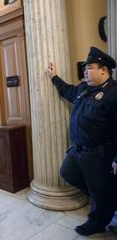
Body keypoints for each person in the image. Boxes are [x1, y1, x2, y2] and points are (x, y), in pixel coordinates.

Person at [47, 46, 117, 236]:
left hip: (99, 154)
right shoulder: (83, 88)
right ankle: (106, 199)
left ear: (103, 70)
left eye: (90, 67)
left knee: (99, 190)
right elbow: (67, 91)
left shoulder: (113, 93)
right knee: (67, 173)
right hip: (78, 150)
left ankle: (96, 223)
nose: (85, 71)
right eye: (85, 67)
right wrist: (54, 77)